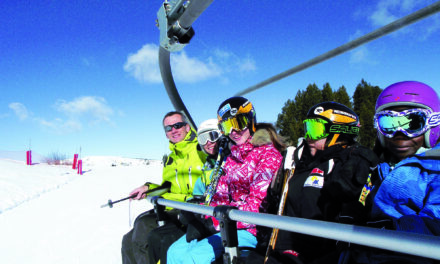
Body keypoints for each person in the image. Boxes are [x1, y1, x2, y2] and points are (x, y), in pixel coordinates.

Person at [248, 101, 379, 264]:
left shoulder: (347, 163)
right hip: (279, 248)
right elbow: (277, 203)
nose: (308, 135)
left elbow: (353, 211)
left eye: (315, 129)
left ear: (337, 131)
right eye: (307, 127)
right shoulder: (295, 161)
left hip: (318, 253)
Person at [167, 96, 284, 264]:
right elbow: (220, 197)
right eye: (227, 126)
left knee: (192, 258)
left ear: (251, 120)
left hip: (252, 230)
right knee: (174, 252)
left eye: (239, 123)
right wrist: (198, 215)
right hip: (226, 223)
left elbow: (257, 206)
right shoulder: (231, 157)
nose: (233, 131)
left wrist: (213, 223)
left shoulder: (267, 155)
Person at [343, 81, 440, 264]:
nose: (399, 133)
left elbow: (436, 222)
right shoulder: (381, 167)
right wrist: (352, 212)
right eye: (388, 123)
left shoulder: (435, 168)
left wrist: (390, 228)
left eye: (413, 123)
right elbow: (364, 202)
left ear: (433, 123)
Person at [121, 111, 206, 264]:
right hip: (174, 206)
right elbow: (168, 187)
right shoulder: (171, 159)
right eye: (168, 128)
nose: (173, 130)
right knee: (128, 239)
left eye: (177, 125)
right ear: (166, 134)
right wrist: (148, 188)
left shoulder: (201, 149)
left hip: (195, 207)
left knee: (143, 228)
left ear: (187, 127)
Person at [146, 118, 227, 264]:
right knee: (154, 238)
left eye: (212, 136)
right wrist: (149, 188)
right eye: (203, 138)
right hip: (197, 214)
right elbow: (170, 186)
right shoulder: (206, 165)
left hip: (219, 220)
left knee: (167, 241)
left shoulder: (226, 162)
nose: (208, 142)